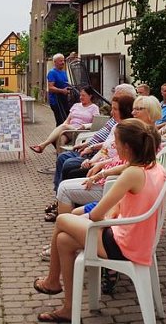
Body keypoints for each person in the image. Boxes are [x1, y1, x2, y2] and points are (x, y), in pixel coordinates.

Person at [32, 118, 166, 324]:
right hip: (138, 239)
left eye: (117, 142)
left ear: (127, 147)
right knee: (63, 241)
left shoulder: (132, 173)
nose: (114, 146)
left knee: (62, 220)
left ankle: (52, 281)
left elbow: (96, 215)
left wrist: (105, 215)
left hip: (124, 244)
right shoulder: (154, 167)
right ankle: (68, 308)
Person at [53, 95, 161, 217]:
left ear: (151, 111)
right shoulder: (138, 132)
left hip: (116, 186)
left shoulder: (145, 137)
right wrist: (99, 163)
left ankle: (65, 216)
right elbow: (117, 156)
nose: (133, 112)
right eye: (133, 108)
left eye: (138, 109)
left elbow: (130, 165)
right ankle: (65, 213)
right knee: (67, 168)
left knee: (67, 180)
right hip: (112, 176)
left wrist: (101, 172)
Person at [44, 89, 136, 223]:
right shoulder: (116, 126)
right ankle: (62, 204)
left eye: (115, 109)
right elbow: (107, 148)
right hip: (96, 157)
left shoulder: (127, 132)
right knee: (64, 160)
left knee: (69, 168)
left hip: (105, 172)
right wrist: (91, 153)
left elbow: (121, 160)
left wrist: (97, 166)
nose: (111, 112)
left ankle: (64, 208)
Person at [30, 86, 100, 154]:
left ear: (90, 96)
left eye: (83, 95)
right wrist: (62, 129)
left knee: (64, 127)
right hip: (70, 130)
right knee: (61, 137)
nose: (81, 97)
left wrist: (84, 126)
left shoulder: (94, 108)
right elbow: (67, 120)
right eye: (80, 95)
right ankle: (60, 160)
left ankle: (43, 145)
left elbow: (95, 124)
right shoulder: (76, 105)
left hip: (81, 131)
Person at [47, 53, 71, 126]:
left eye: (63, 61)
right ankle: (58, 136)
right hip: (56, 101)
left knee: (66, 120)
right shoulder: (52, 73)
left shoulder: (64, 73)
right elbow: (50, 88)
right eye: (60, 61)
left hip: (64, 100)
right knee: (61, 121)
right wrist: (62, 91)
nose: (63, 62)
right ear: (55, 62)